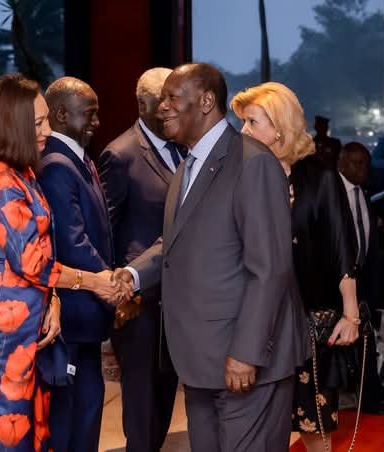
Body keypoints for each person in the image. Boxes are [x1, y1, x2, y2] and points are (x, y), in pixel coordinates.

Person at [116, 64, 308, 452]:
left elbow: (269, 269)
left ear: (205, 102)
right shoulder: (187, 166)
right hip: (200, 361)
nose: (162, 107)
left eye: (172, 98)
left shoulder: (253, 163)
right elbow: (175, 243)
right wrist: (131, 275)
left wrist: (246, 353)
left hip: (244, 361)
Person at [0, 73, 124, 452]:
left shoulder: (22, 172)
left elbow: (42, 252)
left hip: (25, 327)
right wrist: (94, 281)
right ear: (12, 125)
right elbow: (34, 262)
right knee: (3, 437)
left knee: (33, 435)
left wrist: (54, 299)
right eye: (38, 123)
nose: (47, 130)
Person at [231, 81, 360, 452]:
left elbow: (341, 247)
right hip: (253, 319)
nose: (243, 131)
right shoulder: (241, 175)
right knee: (254, 422)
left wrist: (350, 315)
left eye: (252, 122)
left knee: (312, 423)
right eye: (241, 122)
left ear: (279, 128)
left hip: (307, 323)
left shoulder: (319, 178)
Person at [97, 67, 179, 452]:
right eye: (165, 99)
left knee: (164, 397)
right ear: (143, 103)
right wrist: (117, 295)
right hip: (138, 304)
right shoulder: (121, 154)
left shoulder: (183, 148)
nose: (171, 106)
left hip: (176, 300)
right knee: (142, 405)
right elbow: (105, 232)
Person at [38, 76, 116, 452]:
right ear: (61, 114)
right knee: (69, 420)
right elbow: (73, 243)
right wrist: (112, 286)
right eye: (90, 113)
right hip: (72, 314)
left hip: (86, 314)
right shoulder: (56, 164)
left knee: (86, 411)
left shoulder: (78, 159)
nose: (97, 122)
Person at [337, 142, 384, 414]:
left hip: (363, 284)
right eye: (357, 163)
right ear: (342, 164)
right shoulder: (332, 194)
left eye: (366, 163)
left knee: (367, 346)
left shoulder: (364, 195)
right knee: (336, 351)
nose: (363, 169)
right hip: (337, 286)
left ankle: (371, 406)